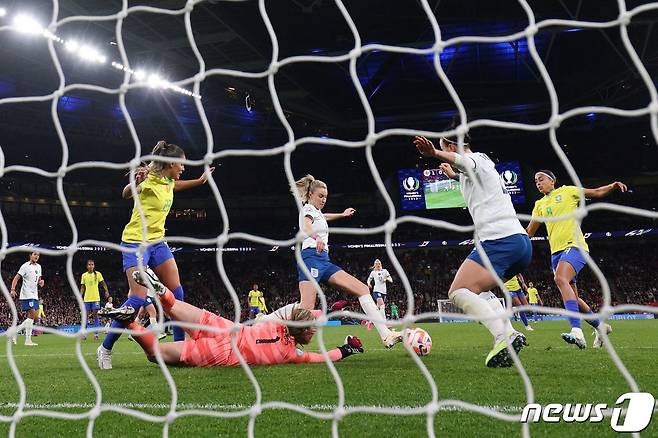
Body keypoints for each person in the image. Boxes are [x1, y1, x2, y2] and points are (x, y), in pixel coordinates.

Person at [414, 129, 530, 367]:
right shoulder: (484, 164)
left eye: (444, 148)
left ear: (452, 148)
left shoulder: (475, 159)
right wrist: (453, 176)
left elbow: (464, 161)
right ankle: (510, 331)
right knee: (480, 291)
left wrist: (433, 153)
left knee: (457, 292)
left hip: (499, 240)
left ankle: (503, 336)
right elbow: (471, 176)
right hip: (519, 242)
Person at [98, 140, 215, 370]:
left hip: (158, 242)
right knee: (137, 299)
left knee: (177, 292)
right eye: (181, 163)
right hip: (135, 242)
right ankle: (105, 348)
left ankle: (180, 349)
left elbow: (176, 186)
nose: (183, 167)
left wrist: (200, 181)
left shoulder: (168, 181)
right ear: (172, 162)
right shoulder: (149, 179)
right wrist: (136, 182)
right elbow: (126, 193)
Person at [100, 269, 364, 367]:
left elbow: (309, 314)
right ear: (303, 335)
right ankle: (128, 322)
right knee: (155, 353)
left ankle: (160, 292)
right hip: (221, 353)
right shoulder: (290, 353)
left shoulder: (276, 320)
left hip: (228, 328)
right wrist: (346, 349)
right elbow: (322, 358)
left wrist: (322, 311)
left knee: (176, 306)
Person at [293, 175, 402, 348]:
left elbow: (323, 216)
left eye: (326, 197)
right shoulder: (307, 209)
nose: (323, 200)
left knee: (363, 289)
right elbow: (307, 226)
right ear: (310, 194)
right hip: (310, 258)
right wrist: (316, 237)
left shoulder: (317, 212)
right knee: (306, 308)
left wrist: (342, 214)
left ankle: (386, 335)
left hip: (324, 260)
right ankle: (271, 322)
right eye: (320, 196)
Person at [526, 170, 624, 348]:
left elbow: (596, 192)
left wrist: (612, 186)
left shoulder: (568, 191)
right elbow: (529, 233)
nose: (538, 183)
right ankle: (601, 327)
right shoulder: (539, 204)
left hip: (575, 246)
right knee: (574, 298)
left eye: (541, 179)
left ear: (552, 181)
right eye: (535, 181)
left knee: (560, 279)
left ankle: (576, 331)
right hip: (555, 254)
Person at [10, 251, 45, 346]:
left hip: (35, 295)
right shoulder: (25, 266)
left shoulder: (39, 267)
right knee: (32, 315)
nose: (36, 256)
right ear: (30, 255)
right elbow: (16, 278)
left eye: (38, 255)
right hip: (26, 294)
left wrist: (41, 282)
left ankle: (15, 332)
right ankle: (28, 341)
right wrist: (13, 289)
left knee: (33, 316)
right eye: (35, 254)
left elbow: (38, 280)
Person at [80, 259, 109, 340]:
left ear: (94, 266)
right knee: (85, 316)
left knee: (95, 315)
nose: (90, 266)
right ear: (87, 266)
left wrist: (106, 291)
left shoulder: (98, 274)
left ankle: (96, 334)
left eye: (92, 264)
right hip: (86, 299)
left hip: (96, 298)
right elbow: (82, 287)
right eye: (89, 264)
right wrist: (80, 296)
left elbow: (103, 283)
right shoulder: (84, 275)